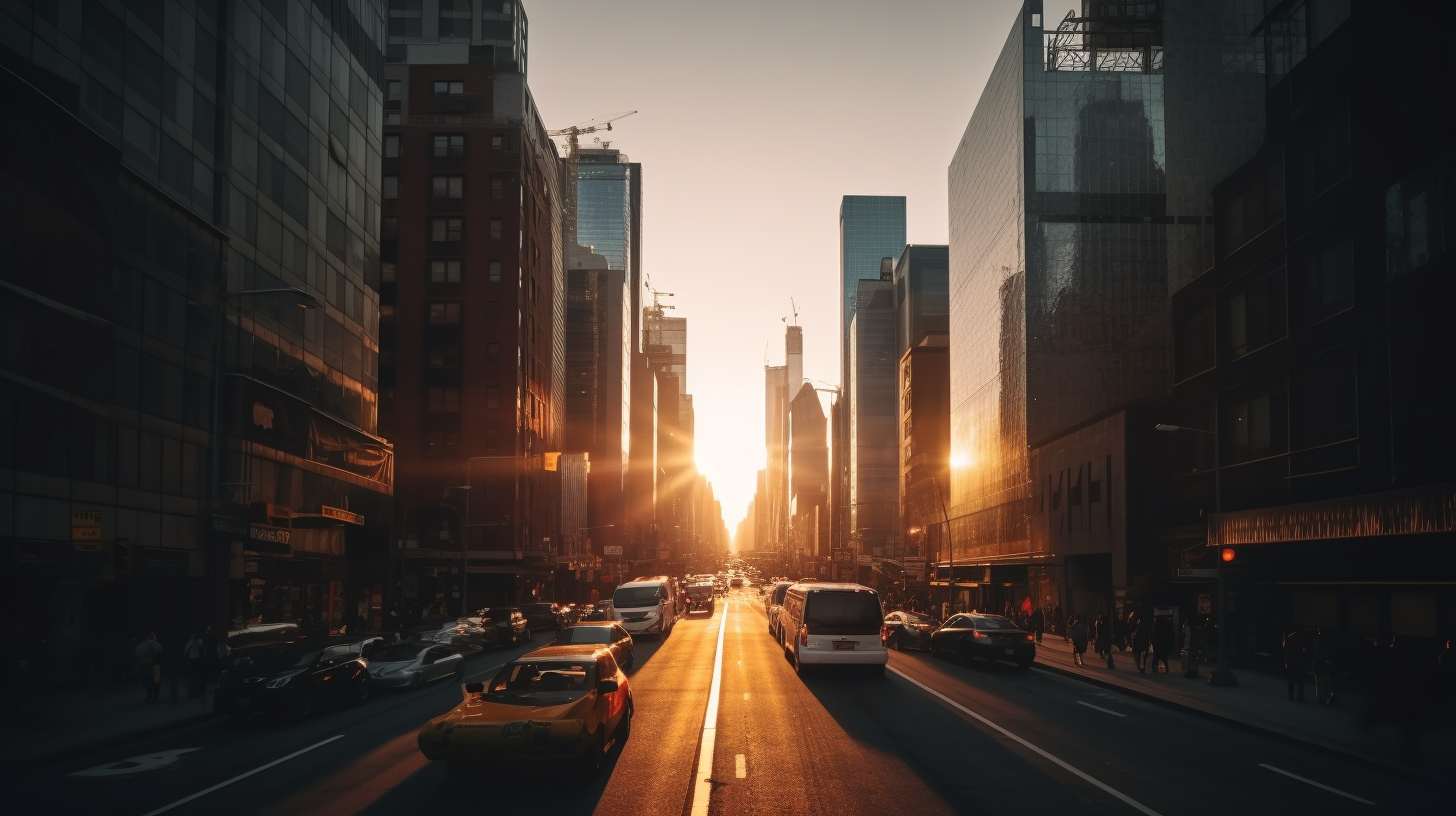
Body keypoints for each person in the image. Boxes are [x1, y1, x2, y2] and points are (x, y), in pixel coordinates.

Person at [134, 633, 164, 704]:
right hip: (155, 665)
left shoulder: (139, 646)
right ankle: (155, 699)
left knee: (149, 683)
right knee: (157, 682)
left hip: (145, 667)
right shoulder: (153, 643)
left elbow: (136, 657)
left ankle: (149, 697)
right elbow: (160, 650)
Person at [1283, 625, 1309, 702]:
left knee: (1291, 681)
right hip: (1299, 664)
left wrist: (1287, 662)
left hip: (1291, 663)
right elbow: (1304, 653)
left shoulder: (1289, 639)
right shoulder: (1301, 639)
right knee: (1300, 681)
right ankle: (1300, 697)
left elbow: (1286, 652)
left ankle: (1291, 696)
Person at [1311, 626, 1336, 706]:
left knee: (1319, 681)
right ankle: (1328, 696)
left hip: (1319, 664)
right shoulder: (1330, 641)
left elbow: (1315, 653)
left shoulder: (1317, 640)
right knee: (1327, 681)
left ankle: (1321, 697)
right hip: (1327, 664)